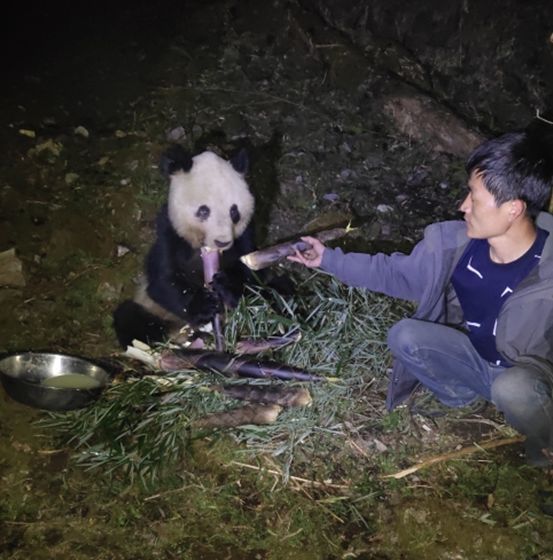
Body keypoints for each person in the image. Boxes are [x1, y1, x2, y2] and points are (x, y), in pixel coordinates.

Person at [288, 121, 553, 467]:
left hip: (530, 378)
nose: (463, 206)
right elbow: (394, 273)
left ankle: (546, 439)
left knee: (513, 388)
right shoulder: (457, 247)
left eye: (474, 197)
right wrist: (327, 259)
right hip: (476, 359)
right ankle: (462, 397)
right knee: (406, 335)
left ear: (513, 209)